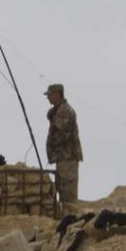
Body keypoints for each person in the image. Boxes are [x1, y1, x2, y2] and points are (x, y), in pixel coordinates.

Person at [44, 83, 83, 216]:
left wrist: (51, 146)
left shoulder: (65, 111)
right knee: (62, 191)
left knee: (68, 195)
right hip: (62, 158)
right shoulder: (58, 112)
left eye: (49, 95)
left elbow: (63, 135)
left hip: (68, 157)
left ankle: (71, 220)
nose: (48, 98)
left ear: (56, 94)